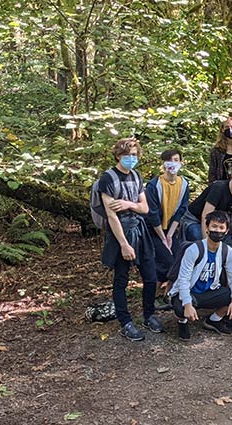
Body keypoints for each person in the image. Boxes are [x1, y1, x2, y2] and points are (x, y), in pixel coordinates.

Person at [97, 138, 161, 341]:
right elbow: (111, 215)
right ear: (118, 156)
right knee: (121, 279)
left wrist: (128, 203)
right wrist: (124, 244)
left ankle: (149, 315)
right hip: (120, 234)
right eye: (127, 155)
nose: (131, 158)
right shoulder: (108, 179)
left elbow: (145, 208)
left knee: (150, 276)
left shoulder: (136, 175)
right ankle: (125, 322)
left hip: (140, 230)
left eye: (134, 155)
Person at [169, 211, 232, 340]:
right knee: (180, 307)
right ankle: (182, 322)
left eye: (221, 228)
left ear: (226, 231)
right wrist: (187, 305)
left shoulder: (227, 251)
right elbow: (183, 279)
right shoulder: (194, 249)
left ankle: (214, 320)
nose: (218, 231)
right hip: (191, 293)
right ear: (207, 228)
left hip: (210, 292)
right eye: (214, 226)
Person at [144, 149, 190, 291]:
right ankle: (155, 292)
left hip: (171, 228)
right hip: (154, 229)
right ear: (163, 164)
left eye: (176, 160)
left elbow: (182, 209)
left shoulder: (183, 184)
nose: (173, 164)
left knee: (179, 259)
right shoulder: (154, 185)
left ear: (181, 163)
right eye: (169, 160)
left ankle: (168, 291)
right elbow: (152, 214)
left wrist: (169, 235)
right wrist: (163, 238)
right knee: (166, 260)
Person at [181, 160, 232, 243]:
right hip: (195, 220)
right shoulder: (218, 188)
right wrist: (206, 243)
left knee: (228, 243)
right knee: (197, 235)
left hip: (216, 224)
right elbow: (205, 215)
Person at [208, 117, 232, 184]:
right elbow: (212, 173)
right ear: (222, 129)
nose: (230, 129)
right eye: (227, 127)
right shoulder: (216, 150)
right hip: (222, 187)